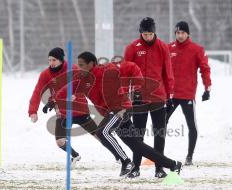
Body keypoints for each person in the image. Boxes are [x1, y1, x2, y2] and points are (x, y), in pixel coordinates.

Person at [56, 51, 182, 178]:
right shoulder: (81, 81)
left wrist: (136, 84)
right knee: (137, 146)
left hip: (121, 108)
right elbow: (62, 92)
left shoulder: (104, 69)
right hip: (113, 112)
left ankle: (126, 162)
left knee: (102, 132)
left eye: (82, 65)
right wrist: (53, 102)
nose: (80, 68)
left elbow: (129, 66)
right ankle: (173, 164)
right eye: (78, 65)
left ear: (91, 64)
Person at [28, 47, 98, 167]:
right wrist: (32, 111)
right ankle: (75, 156)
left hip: (79, 110)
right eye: (49, 60)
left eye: (54, 60)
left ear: (61, 60)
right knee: (60, 142)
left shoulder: (74, 69)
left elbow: (87, 84)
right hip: (62, 112)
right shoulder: (45, 74)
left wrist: (77, 95)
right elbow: (37, 91)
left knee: (100, 135)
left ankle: (121, 158)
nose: (51, 63)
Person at [123, 17, 174, 178]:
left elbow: (168, 73)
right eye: (145, 34)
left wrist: (169, 95)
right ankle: (135, 167)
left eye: (150, 33)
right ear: (141, 33)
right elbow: (125, 74)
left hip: (158, 97)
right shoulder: (132, 48)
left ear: (154, 32)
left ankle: (159, 168)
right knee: (137, 134)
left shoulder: (162, 47)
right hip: (138, 98)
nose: (148, 37)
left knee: (159, 133)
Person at [167, 21, 212, 165]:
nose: (180, 35)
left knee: (191, 126)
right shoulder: (168, 48)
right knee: (160, 123)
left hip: (187, 94)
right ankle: (157, 154)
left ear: (188, 34)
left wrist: (207, 88)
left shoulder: (196, 49)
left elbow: (205, 69)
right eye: (178, 33)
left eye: (183, 33)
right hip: (171, 95)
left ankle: (189, 157)